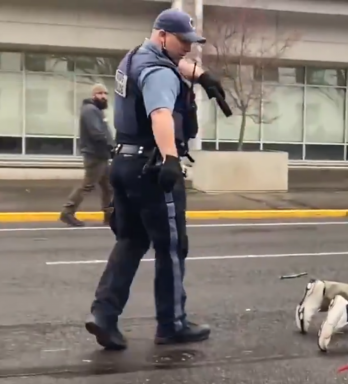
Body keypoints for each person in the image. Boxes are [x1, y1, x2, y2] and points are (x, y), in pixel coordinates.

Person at [86, 8, 226, 350]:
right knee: (172, 247)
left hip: (123, 163)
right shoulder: (159, 72)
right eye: (183, 42)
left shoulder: (135, 57)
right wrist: (171, 160)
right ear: (162, 35)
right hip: (151, 168)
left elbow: (171, 66)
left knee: (131, 241)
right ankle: (172, 324)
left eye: (191, 43)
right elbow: (161, 113)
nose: (187, 49)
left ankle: (103, 314)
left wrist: (202, 76)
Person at [60, 83, 115, 227]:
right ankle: (68, 212)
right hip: (94, 156)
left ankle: (109, 216)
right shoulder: (90, 110)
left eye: (105, 93)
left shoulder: (96, 110)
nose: (103, 96)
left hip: (102, 155)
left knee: (108, 186)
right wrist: (112, 146)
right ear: (93, 95)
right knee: (87, 185)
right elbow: (97, 133)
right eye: (99, 93)